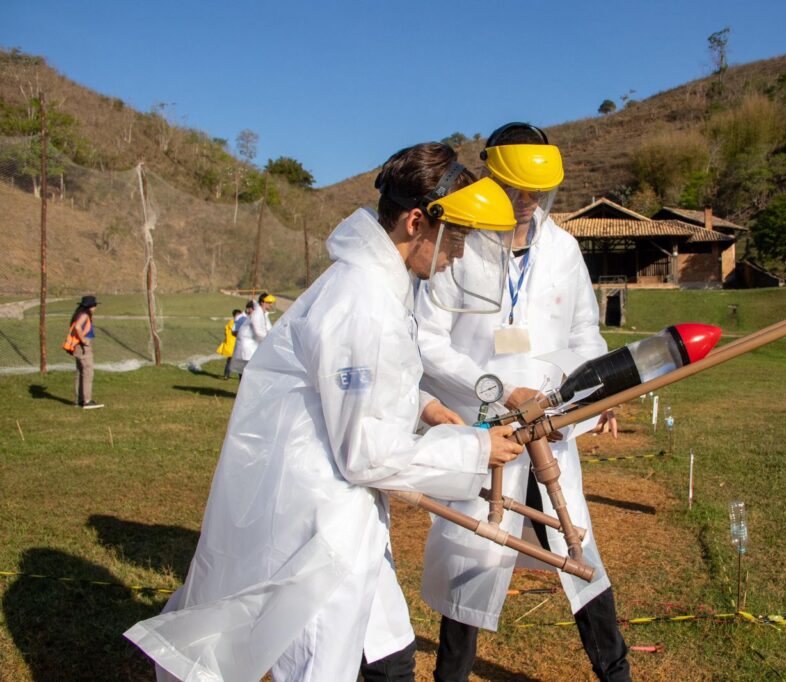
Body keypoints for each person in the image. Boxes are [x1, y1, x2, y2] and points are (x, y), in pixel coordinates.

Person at [125, 142, 524, 681]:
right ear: (415, 222)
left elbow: (361, 387)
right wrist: (478, 447)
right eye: (455, 237)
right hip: (315, 521)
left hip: (343, 512)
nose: (457, 254)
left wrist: (425, 405)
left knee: (391, 657)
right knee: (329, 663)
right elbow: (366, 453)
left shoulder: (378, 285)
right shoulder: (362, 299)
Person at [416, 123, 630, 681]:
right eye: (515, 191)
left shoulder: (562, 249)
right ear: (490, 177)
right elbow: (428, 339)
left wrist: (586, 390)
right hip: (484, 427)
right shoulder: (460, 244)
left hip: (549, 426)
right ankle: (451, 677)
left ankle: (616, 673)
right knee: (476, 552)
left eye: (537, 194)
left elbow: (586, 333)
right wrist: (498, 389)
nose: (527, 204)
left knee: (579, 551)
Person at [62, 295, 104, 409]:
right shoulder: (85, 315)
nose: (95, 307)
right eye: (94, 305)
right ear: (90, 306)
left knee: (81, 372)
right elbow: (77, 327)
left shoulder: (79, 313)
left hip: (77, 346)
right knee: (88, 372)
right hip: (82, 347)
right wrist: (84, 340)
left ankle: (79, 400)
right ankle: (87, 401)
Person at [231, 294, 274, 376]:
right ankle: (244, 388)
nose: (270, 305)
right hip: (248, 347)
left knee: (251, 373)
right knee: (247, 373)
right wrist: (270, 338)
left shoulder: (263, 313)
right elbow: (259, 332)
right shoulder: (257, 314)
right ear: (262, 303)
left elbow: (268, 328)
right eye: (268, 302)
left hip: (253, 347)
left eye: (271, 302)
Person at [215, 308, 243, 378]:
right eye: (238, 315)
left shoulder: (232, 323)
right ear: (234, 315)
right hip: (233, 345)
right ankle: (229, 375)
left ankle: (227, 375)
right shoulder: (234, 323)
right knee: (235, 361)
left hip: (233, 345)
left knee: (231, 361)